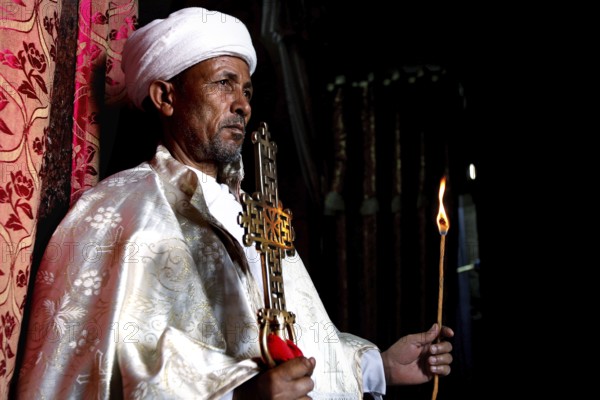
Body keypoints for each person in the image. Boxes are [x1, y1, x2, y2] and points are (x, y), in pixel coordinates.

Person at [16, 7, 453, 399]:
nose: (242, 104)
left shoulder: (254, 214)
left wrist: (381, 368)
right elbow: (91, 379)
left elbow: (295, 342)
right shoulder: (114, 212)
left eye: (246, 89)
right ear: (166, 97)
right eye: (223, 83)